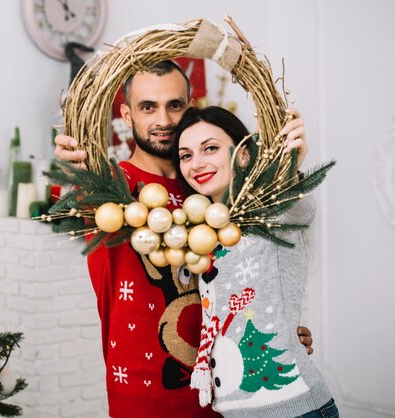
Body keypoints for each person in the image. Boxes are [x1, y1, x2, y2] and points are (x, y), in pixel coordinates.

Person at [54, 60, 313, 418]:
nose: (163, 120)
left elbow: (260, 265)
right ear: (127, 115)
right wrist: (71, 166)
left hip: (231, 399)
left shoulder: (211, 184)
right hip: (144, 401)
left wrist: (281, 328)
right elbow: (69, 195)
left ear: (189, 107)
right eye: (148, 107)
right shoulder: (108, 186)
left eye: (174, 105)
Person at [174, 106, 337, 418]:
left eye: (210, 148)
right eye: (186, 155)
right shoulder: (202, 236)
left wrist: (290, 166)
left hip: (293, 410)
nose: (196, 163)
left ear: (244, 154)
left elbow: (298, 208)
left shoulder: (270, 211)